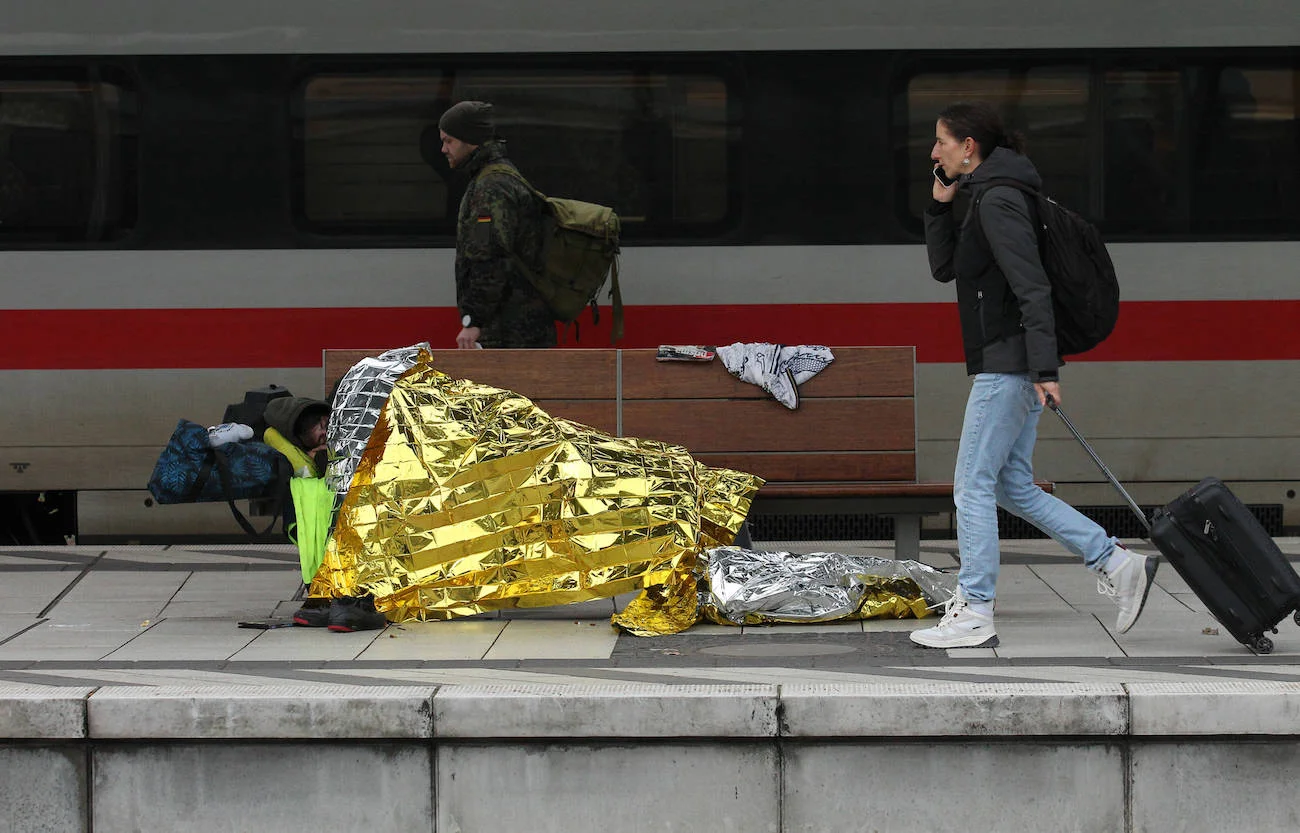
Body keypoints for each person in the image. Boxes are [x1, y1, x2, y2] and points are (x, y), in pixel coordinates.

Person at [910, 101, 1158, 649]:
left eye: (941, 142)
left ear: (967, 146)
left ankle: (975, 610)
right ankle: (1116, 562)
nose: (934, 152)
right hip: (1010, 362)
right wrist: (938, 207)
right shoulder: (987, 195)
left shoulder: (999, 200)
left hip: (1008, 364)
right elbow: (946, 269)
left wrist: (1045, 367)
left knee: (970, 485)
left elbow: (1033, 286)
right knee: (1011, 485)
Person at [438, 100, 556, 350]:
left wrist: (473, 321)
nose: (443, 149)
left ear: (470, 140)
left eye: (449, 141)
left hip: (509, 330)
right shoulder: (500, 175)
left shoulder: (491, 187)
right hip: (519, 325)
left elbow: (489, 257)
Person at [264, 396, 387, 632]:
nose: (328, 432)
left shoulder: (350, 414)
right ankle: (345, 598)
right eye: (321, 437)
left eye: (324, 426)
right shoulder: (320, 461)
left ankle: (327, 598)